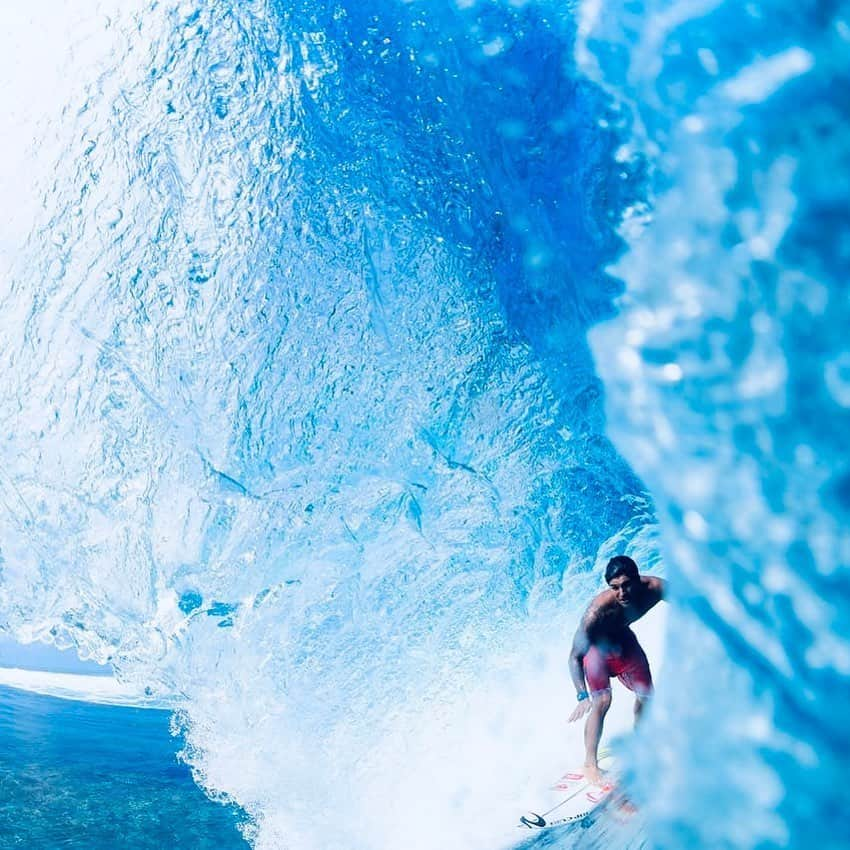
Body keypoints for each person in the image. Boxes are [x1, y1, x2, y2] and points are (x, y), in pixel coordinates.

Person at [567, 555, 666, 785]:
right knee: (602, 700)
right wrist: (582, 695)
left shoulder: (656, 588)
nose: (622, 593)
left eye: (627, 584)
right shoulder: (597, 612)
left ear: (637, 578)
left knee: (646, 696)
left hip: (624, 645)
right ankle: (590, 764)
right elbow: (574, 656)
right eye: (615, 588)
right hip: (597, 652)